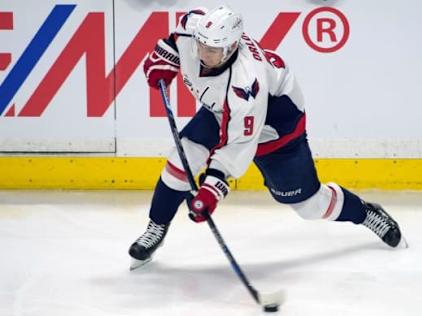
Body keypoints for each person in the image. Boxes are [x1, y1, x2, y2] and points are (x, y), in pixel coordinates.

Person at [128, 5, 404, 269]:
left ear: (230, 48)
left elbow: (238, 147)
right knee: (181, 159)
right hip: (220, 113)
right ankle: (156, 227)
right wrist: (166, 55)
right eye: (201, 45)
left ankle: (366, 213)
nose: (202, 53)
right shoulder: (197, 28)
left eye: (211, 50)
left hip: (276, 129)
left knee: (309, 205)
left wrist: (211, 189)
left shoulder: (246, 85)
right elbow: (177, 37)